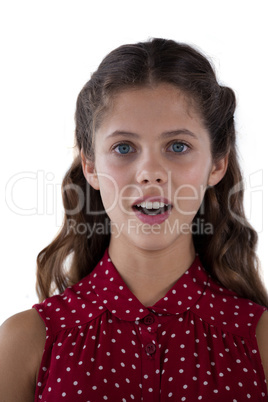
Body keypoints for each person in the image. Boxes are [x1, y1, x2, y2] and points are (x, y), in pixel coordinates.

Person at [1, 38, 268, 401]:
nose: (150, 173)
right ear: (91, 166)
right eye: (124, 148)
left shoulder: (260, 341)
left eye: (177, 146)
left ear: (217, 163)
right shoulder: (26, 343)